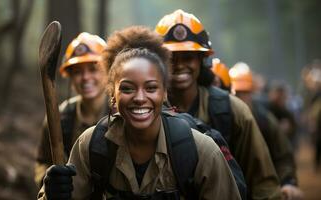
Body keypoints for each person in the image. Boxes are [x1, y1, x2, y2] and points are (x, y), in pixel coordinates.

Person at [38, 26, 241, 200]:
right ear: (113, 95)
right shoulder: (90, 146)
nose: (140, 97)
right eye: (127, 88)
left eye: (151, 88)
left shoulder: (201, 152)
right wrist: (51, 194)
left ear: (164, 94)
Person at [155, 9, 281, 199]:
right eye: (172, 58)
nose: (180, 65)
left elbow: (263, 182)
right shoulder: (147, 112)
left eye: (188, 57)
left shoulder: (232, 110)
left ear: (202, 60)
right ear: (159, 63)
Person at [35, 32, 109, 187]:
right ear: (69, 76)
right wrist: (49, 182)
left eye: (93, 69)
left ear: (108, 71)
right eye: (77, 72)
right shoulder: (58, 118)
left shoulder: (121, 114)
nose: (85, 77)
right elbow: (42, 163)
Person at [229, 62, 303, 200]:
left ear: (252, 92)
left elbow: (283, 155)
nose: (240, 98)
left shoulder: (264, 119)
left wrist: (287, 182)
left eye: (244, 93)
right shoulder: (224, 119)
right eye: (236, 94)